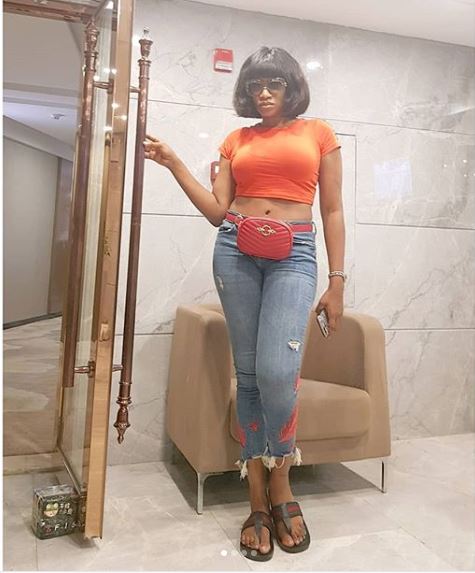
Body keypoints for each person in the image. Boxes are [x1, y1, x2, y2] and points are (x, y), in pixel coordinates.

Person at [144, 46, 345, 561]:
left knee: (279, 372)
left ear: (292, 87)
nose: (264, 92)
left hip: (295, 253)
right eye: (255, 84)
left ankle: (281, 478)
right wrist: (173, 163)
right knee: (250, 374)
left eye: (274, 83)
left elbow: (332, 209)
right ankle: (257, 495)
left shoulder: (319, 134)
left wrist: (337, 280)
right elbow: (217, 210)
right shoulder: (237, 139)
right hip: (235, 249)